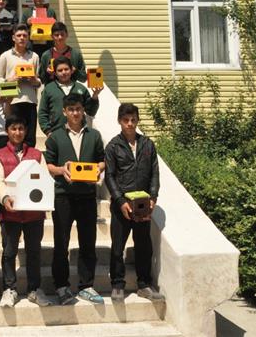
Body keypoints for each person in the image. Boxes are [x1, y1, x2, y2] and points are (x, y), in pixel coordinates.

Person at [45, 93, 106, 306]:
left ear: (83, 110)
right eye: (71, 110)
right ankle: (61, 286)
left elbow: (102, 160)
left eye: (78, 109)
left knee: (88, 242)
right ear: (64, 112)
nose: (75, 113)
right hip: (63, 196)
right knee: (61, 243)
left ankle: (86, 286)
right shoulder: (55, 137)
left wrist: (98, 169)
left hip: (87, 196)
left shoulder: (94, 135)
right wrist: (62, 170)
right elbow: (48, 165)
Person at [0, 115, 53, 308]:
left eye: (21, 129)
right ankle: (10, 289)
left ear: (26, 131)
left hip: (34, 214)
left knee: (34, 252)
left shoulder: (36, 154)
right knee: (9, 252)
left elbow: (45, 178)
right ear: (7, 131)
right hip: (10, 213)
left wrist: (45, 200)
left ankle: (34, 289)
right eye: (13, 128)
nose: (17, 132)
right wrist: (4, 198)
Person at [105, 103, 164, 302]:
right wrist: (120, 201)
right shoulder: (113, 146)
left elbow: (154, 172)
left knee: (144, 245)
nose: (130, 124)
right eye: (126, 120)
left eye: (133, 120)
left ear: (137, 120)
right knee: (117, 246)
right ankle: (117, 285)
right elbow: (109, 176)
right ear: (119, 121)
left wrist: (153, 197)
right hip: (121, 206)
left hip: (142, 205)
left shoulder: (147, 144)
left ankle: (144, 284)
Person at [0, 24, 41, 145]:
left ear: (28, 38)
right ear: (13, 38)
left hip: (30, 101)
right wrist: (11, 79)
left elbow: (38, 81)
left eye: (25, 36)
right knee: (14, 136)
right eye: (19, 35)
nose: (22, 38)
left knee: (30, 138)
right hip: (12, 101)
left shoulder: (34, 56)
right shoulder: (5, 56)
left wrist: (33, 80)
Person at [38, 57, 100, 136]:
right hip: (56, 133)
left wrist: (95, 96)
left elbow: (91, 112)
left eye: (66, 69)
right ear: (55, 73)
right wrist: (48, 132)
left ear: (72, 70)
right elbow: (42, 113)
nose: (63, 72)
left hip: (79, 133)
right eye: (60, 70)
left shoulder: (80, 88)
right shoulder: (49, 89)